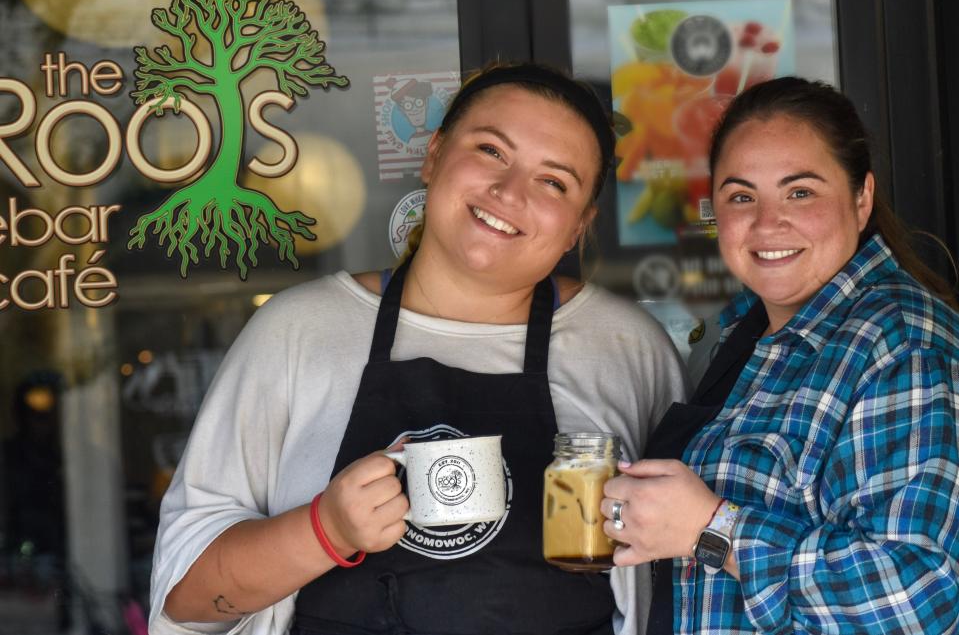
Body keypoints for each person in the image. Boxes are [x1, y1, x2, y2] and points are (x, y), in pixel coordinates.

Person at [149, 62, 688, 635]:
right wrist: (324, 530)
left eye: (554, 181)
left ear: (580, 225)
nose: (509, 193)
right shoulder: (300, 331)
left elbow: (687, 584)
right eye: (491, 151)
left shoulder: (628, 350)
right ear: (433, 155)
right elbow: (186, 600)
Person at [601, 76, 959, 634]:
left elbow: (917, 598)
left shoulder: (899, 343)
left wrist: (711, 531)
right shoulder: (743, 331)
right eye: (742, 196)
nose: (768, 223)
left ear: (861, 198)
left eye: (800, 192)